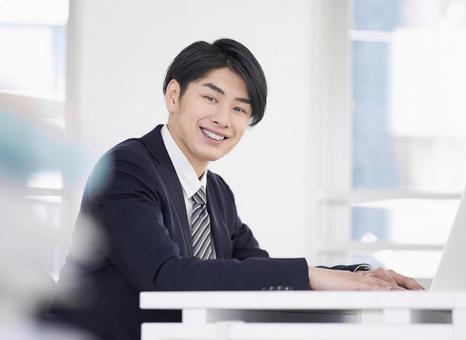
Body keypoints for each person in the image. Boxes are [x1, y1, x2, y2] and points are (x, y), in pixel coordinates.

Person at [52, 38, 422, 340]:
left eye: (240, 109)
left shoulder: (217, 193)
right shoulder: (127, 169)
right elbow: (166, 279)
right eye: (211, 98)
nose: (223, 119)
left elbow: (258, 271)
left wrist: (358, 276)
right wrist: (311, 274)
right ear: (173, 96)